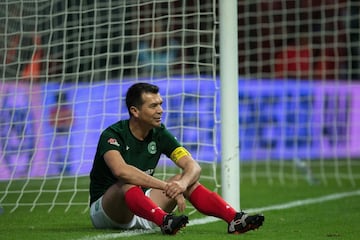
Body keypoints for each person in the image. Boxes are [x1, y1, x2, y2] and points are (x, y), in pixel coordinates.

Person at [89, 83, 264, 235]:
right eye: (153, 106)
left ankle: (234, 219)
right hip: (107, 210)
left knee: (185, 180)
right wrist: (166, 187)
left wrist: (182, 184)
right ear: (135, 111)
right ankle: (165, 221)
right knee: (126, 183)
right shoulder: (113, 135)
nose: (160, 110)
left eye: (160, 104)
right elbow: (121, 171)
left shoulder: (159, 133)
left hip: (143, 206)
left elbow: (193, 167)